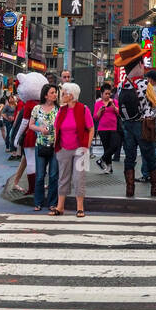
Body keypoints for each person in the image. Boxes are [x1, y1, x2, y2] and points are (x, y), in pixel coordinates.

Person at [117, 45, 156, 198]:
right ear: (139, 65)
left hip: (127, 125)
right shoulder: (143, 84)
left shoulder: (121, 85)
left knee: (130, 157)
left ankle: (130, 189)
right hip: (143, 125)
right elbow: (154, 102)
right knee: (149, 155)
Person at [52, 83, 94, 218]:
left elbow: (91, 128)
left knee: (79, 178)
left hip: (80, 149)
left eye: (64, 93)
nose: (62, 95)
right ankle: (60, 207)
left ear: (71, 95)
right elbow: (56, 127)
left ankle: (80, 208)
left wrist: (86, 146)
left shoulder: (83, 109)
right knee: (63, 178)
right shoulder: (61, 110)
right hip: (63, 148)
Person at [29, 83, 59, 212]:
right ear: (46, 95)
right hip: (40, 144)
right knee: (40, 175)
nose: (55, 95)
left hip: (55, 146)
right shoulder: (37, 108)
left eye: (56, 92)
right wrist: (40, 129)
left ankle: (53, 202)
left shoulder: (59, 109)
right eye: (52, 92)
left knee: (53, 175)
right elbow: (30, 125)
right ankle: (38, 202)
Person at [93, 85, 120, 174]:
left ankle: (101, 160)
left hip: (113, 127)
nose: (108, 95)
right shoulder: (98, 103)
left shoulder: (114, 102)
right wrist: (100, 111)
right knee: (106, 148)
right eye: (106, 94)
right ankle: (109, 167)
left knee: (115, 146)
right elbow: (95, 117)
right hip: (102, 128)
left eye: (109, 94)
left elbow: (119, 113)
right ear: (101, 94)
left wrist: (114, 108)